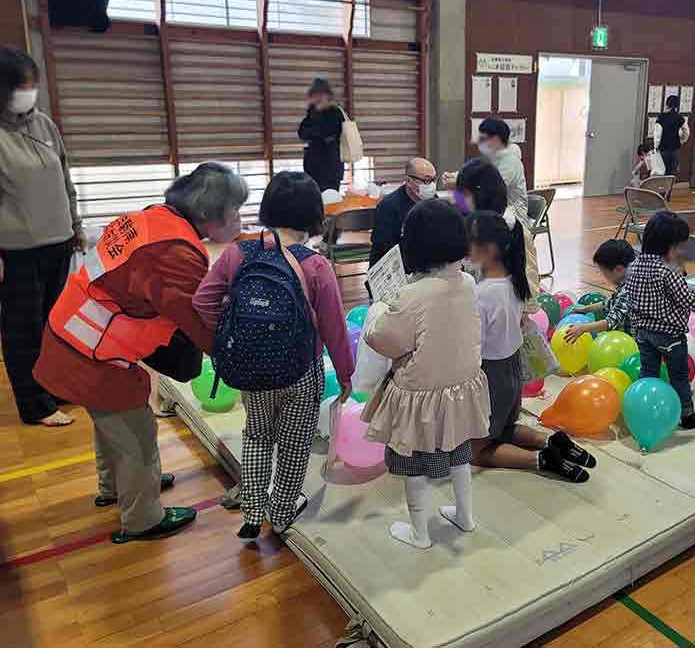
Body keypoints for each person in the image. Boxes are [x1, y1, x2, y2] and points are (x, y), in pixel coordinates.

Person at [34, 163, 249, 543]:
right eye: (234, 212)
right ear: (207, 215)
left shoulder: (153, 219)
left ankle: (115, 488)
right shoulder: (174, 252)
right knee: (136, 432)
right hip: (93, 352)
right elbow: (200, 321)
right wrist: (240, 352)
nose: (240, 219)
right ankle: (143, 518)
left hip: (74, 333)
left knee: (109, 422)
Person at [193, 172, 355, 540]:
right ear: (314, 214)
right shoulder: (316, 265)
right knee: (294, 443)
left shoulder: (239, 252)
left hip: (250, 366)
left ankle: (252, 512)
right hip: (301, 371)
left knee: (257, 435)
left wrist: (228, 337)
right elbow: (334, 328)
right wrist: (346, 375)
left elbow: (202, 301)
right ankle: (282, 513)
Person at [360, 199, 491, 549]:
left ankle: (420, 533)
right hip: (461, 388)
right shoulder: (466, 282)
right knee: (459, 452)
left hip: (420, 395)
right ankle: (465, 516)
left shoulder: (412, 294)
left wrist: (376, 311)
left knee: (412, 462)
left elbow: (384, 339)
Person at [468, 210, 596, 481]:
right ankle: (552, 441)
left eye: (470, 241)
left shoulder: (481, 294)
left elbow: (474, 344)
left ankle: (539, 458)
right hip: (512, 371)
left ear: (488, 249)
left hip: (491, 375)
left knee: (474, 451)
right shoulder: (516, 281)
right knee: (504, 427)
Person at [0, 47, 85, 427]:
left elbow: (64, 178)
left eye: (32, 85)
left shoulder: (44, 125)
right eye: (22, 86)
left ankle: (55, 386)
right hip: (16, 250)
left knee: (56, 322)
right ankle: (34, 404)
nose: (29, 92)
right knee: (24, 327)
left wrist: (76, 226)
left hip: (59, 242)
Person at [625, 211, 695, 429]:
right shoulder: (668, 272)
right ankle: (686, 414)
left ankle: (644, 407)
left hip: (643, 332)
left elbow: (631, 299)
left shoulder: (633, 267)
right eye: (679, 246)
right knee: (679, 375)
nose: (680, 251)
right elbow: (688, 299)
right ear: (670, 246)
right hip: (669, 335)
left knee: (648, 371)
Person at [455, 158, 541, 312]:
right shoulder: (474, 225)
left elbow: (530, 289)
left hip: (501, 314)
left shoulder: (513, 229)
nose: (462, 201)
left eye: (466, 195)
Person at [445, 117, 529, 220]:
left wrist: (458, 183)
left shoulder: (511, 162)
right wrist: (455, 176)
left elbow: (491, 189)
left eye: (483, 139)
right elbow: (476, 175)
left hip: (510, 217)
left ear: (496, 139)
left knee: (456, 218)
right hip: (487, 211)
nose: (479, 143)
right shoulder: (493, 157)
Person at [369, 157, 437, 269]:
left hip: (424, 265)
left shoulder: (434, 201)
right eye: (426, 180)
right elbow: (385, 249)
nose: (431, 185)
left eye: (433, 180)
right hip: (392, 268)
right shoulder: (388, 207)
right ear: (409, 181)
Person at [565, 239, 635, 342]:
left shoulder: (629, 291)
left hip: (629, 344)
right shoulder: (627, 282)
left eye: (604, 272)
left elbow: (610, 321)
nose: (604, 277)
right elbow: (608, 303)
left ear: (618, 269)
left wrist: (582, 328)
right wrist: (583, 309)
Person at [298, 77, 345, 193]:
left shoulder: (336, 112)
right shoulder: (311, 112)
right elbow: (302, 133)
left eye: (321, 94)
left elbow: (327, 131)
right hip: (313, 167)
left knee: (330, 201)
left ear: (327, 95)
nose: (317, 97)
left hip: (330, 167)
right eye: (315, 94)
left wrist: (314, 133)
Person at [655, 95, 686, 182]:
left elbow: (657, 134)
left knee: (661, 173)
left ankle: (661, 194)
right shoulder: (680, 118)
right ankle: (668, 193)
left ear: (666, 104)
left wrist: (656, 147)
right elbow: (686, 132)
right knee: (671, 175)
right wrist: (681, 141)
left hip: (663, 149)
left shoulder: (661, 117)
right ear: (677, 106)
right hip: (675, 149)